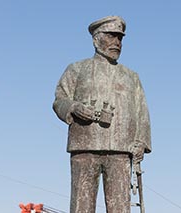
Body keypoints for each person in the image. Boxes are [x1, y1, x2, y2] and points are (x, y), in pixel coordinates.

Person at [52, 16, 151, 213]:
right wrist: (73, 107)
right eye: (111, 36)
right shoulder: (77, 69)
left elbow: (142, 112)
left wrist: (141, 141)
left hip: (121, 149)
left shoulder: (131, 77)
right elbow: (59, 100)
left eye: (120, 38)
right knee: (81, 206)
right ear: (96, 39)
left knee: (120, 208)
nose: (117, 43)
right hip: (85, 146)